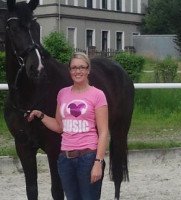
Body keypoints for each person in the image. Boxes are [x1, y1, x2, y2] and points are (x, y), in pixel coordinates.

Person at [28, 52, 109, 200]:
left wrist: (98, 162)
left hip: (88, 158)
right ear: (70, 70)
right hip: (65, 160)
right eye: (74, 68)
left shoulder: (97, 95)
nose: (78, 71)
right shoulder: (63, 94)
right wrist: (41, 116)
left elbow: (104, 132)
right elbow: (60, 126)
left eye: (82, 67)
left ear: (88, 69)